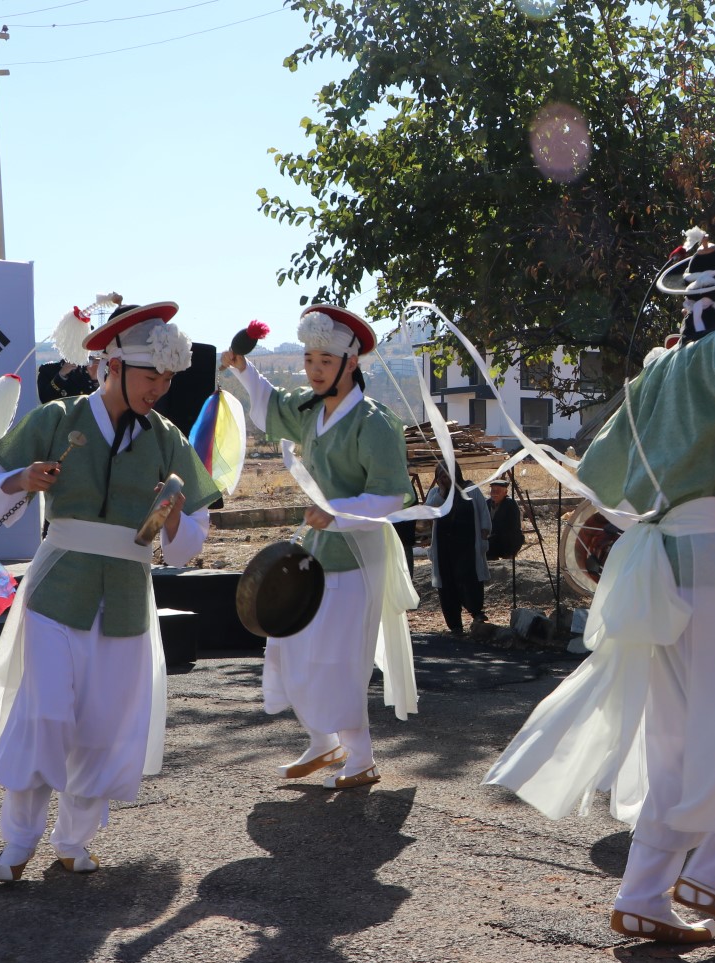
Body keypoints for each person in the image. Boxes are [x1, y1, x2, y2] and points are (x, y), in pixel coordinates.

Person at [486, 229, 715, 944]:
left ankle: (649, 894)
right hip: (712, 569)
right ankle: (710, 874)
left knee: (683, 738)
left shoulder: (655, 375)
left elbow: (599, 476)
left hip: (660, 565)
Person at [0, 302, 222, 881]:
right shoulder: (57, 418)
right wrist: (22, 480)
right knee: (45, 712)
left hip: (128, 592)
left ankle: (75, 840)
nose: (161, 387)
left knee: (103, 721)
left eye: (169, 377)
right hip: (59, 587)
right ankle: (17, 840)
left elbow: (189, 541)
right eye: (152, 375)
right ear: (113, 365)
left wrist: (173, 516)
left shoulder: (167, 438)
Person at [224, 305, 418, 790]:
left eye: (325, 361)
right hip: (317, 551)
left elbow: (392, 493)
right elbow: (271, 406)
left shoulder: (373, 422)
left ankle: (362, 756)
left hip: (357, 553)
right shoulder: (313, 411)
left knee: (340, 657)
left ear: (351, 363)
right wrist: (243, 369)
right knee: (289, 646)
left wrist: (340, 512)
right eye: (309, 359)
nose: (313, 369)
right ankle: (322, 741)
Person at [425, 464, 491, 634]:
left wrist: (484, 533)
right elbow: (430, 512)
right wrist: (442, 491)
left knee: (469, 579)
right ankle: (455, 625)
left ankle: (476, 612)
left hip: (467, 545)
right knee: (447, 585)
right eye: (440, 475)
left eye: (446, 474)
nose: (444, 477)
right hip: (444, 547)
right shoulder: (435, 493)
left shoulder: (470, 489)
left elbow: (483, 512)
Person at [485, 477, 525, 560]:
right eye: (492, 490)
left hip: (507, 540)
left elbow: (512, 527)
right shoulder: (487, 503)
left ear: (505, 492)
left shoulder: (510, 504)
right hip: (493, 539)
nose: (494, 493)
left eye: (498, 491)